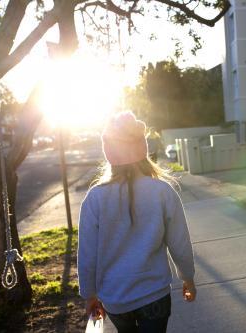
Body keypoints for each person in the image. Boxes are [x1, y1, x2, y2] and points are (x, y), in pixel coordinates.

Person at [77, 111, 196, 333]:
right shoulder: (162, 191)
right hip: (155, 294)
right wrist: (187, 277)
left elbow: (87, 254)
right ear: (143, 150)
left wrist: (89, 294)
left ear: (109, 153)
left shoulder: (95, 198)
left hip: (116, 299)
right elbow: (180, 243)